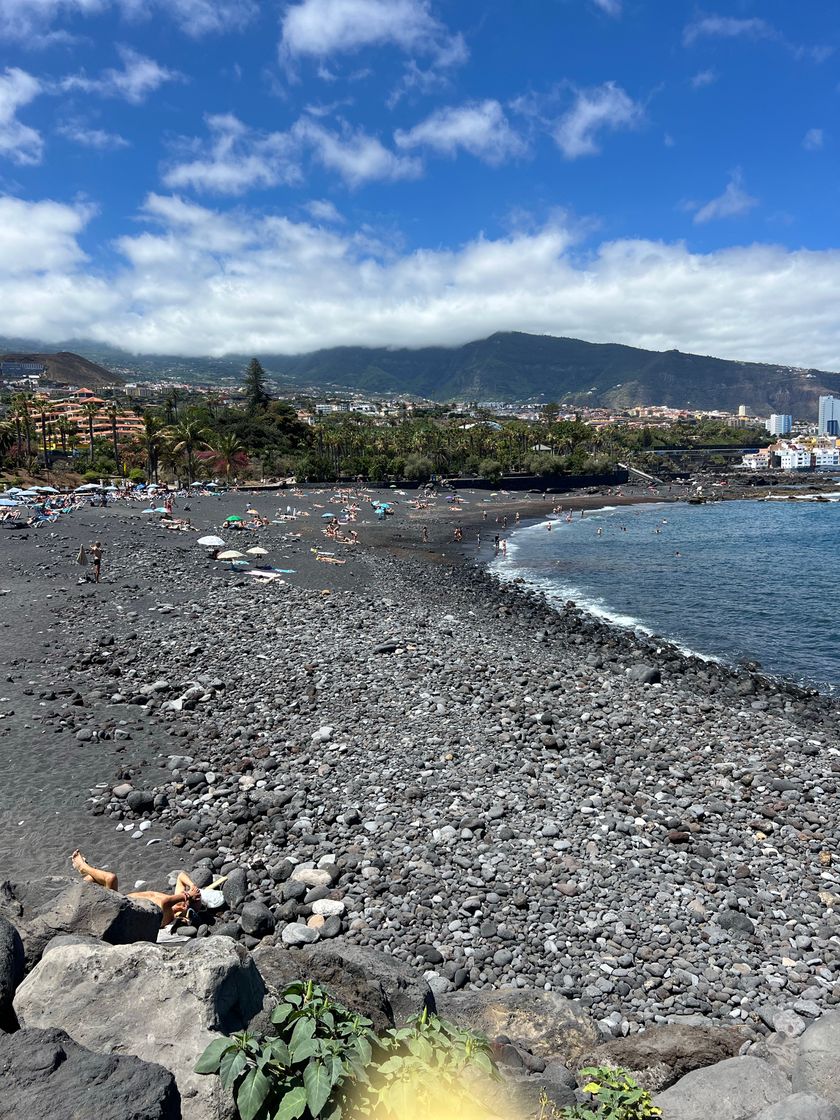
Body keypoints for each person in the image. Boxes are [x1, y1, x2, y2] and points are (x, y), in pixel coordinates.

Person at [71, 850, 200, 928]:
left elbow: (166, 902)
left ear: (184, 910)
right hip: (120, 899)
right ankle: (81, 881)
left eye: (187, 901)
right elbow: (181, 876)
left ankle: (83, 867)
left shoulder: (168, 916)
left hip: (117, 911)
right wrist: (192, 886)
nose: (183, 897)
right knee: (91, 880)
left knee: (111, 878)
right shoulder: (178, 902)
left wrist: (187, 895)